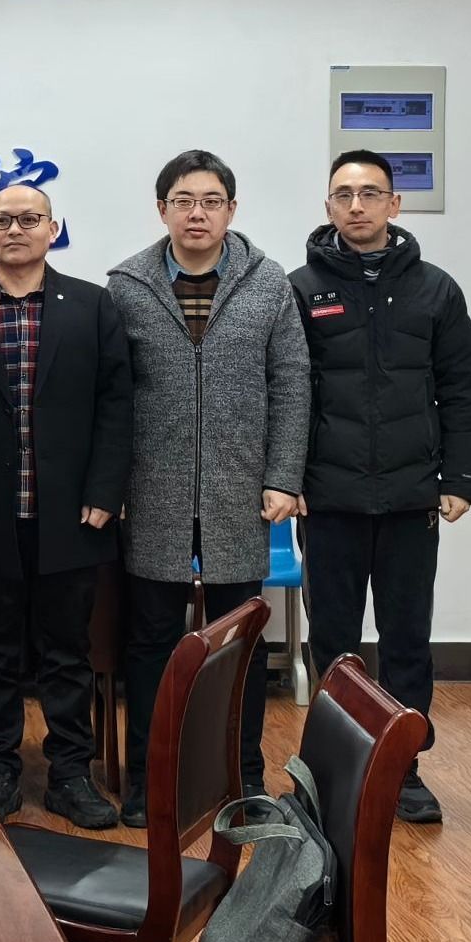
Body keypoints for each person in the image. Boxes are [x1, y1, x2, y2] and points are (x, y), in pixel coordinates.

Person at [106, 149, 309, 828]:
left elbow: (291, 383)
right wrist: (114, 483)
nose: (197, 213)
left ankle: (241, 777)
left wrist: (283, 477)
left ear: (231, 209)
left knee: (241, 641)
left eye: (211, 200)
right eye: (184, 200)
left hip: (239, 489)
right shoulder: (127, 286)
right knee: (150, 643)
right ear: (161, 209)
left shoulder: (267, 282)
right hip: (152, 490)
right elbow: (111, 395)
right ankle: (149, 778)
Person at [290, 148, 471, 824]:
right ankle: (330, 774)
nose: (357, 206)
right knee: (334, 643)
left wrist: (461, 476)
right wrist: (289, 478)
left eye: (370, 193)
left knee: (406, 640)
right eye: (344, 194)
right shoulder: (300, 289)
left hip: (411, 498)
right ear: (328, 206)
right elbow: (288, 394)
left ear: (394, 205)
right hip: (329, 498)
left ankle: (404, 771)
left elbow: (462, 389)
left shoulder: (435, 290)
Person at [0, 182, 133, 826]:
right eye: (1, 220)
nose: (15, 230)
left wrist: (106, 489)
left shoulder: (93, 306)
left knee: (67, 651)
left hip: (72, 514)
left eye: (29, 219)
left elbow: (117, 404)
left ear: (54, 229)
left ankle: (70, 773)